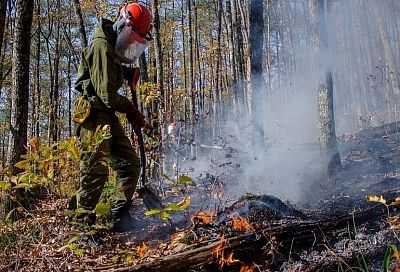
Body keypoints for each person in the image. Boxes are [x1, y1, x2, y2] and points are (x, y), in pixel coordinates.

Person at [68, 3, 154, 232]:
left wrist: (126, 72)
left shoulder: (111, 45)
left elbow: (107, 72)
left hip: (106, 113)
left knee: (129, 164)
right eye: (130, 36)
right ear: (123, 24)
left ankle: (119, 217)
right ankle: (82, 227)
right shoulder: (101, 46)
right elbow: (105, 93)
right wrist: (132, 111)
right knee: (95, 170)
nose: (129, 43)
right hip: (94, 113)